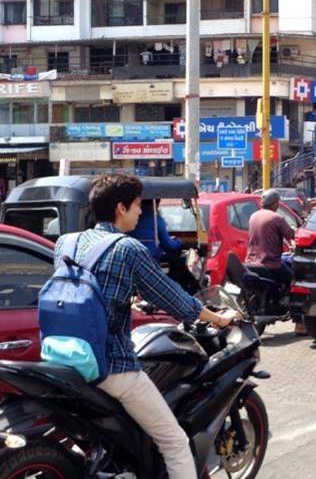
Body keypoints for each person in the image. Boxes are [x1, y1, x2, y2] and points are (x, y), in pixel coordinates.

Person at [51, 174, 237, 479]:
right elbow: (176, 300)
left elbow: (86, 291)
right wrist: (219, 318)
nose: (142, 213)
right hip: (111, 366)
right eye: (138, 206)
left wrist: (127, 302)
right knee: (174, 441)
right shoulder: (128, 248)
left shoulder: (67, 242)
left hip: (64, 357)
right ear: (121, 208)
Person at [244, 190, 295, 290]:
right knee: (293, 280)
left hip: (250, 262)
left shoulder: (253, 216)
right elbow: (291, 234)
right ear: (275, 203)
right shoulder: (277, 218)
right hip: (271, 264)